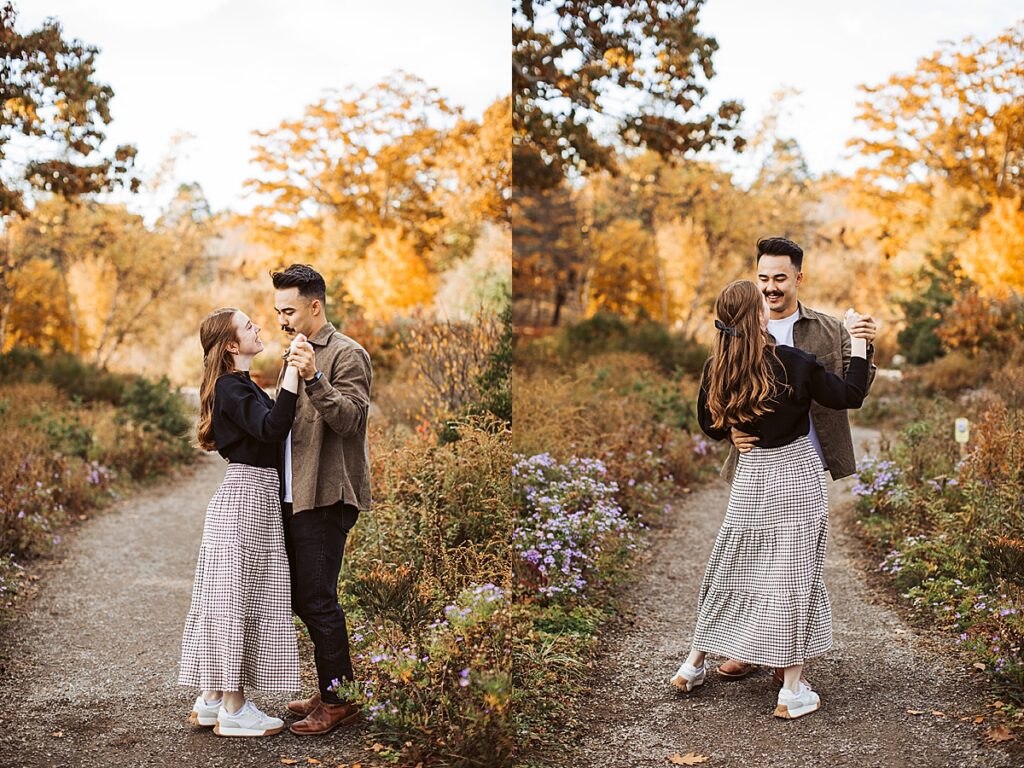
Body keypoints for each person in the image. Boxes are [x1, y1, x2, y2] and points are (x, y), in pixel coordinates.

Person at [670, 279, 869, 719]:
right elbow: (849, 395)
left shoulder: (716, 368)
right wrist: (857, 341)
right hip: (795, 478)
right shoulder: (793, 363)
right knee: (792, 577)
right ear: (757, 316)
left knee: (732, 566)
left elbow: (707, 421)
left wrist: (732, 431)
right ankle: (791, 691)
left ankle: (693, 665)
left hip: (751, 476)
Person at [715, 236, 877, 684]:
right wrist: (730, 427)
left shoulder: (827, 329)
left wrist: (864, 342)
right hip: (756, 463)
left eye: (780, 278)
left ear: (798, 278)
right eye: (763, 278)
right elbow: (720, 391)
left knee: (791, 566)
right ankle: (747, 650)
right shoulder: (743, 330)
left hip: (805, 464)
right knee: (751, 561)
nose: (771, 287)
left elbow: (852, 386)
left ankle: (782, 654)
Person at [178, 307, 311, 737]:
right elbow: (273, 428)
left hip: (249, 495)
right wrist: (293, 372)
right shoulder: (231, 389)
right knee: (240, 597)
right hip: (247, 497)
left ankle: (213, 698)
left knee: (228, 594)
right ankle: (235, 709)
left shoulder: (237, 385)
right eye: (248, 325)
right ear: (232, 345)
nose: (258, 328)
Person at [270, 264, 373, 736]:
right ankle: (333, 685)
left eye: (289, 311)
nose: (282, 321)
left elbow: (350, 422)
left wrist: (314, 378)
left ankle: (338, 702)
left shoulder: (348, 354)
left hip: (328, 495)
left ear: (315, 305)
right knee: (302, 596)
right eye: (277, 312)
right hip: (294, 495)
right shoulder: (292, 352)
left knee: (317, 598)